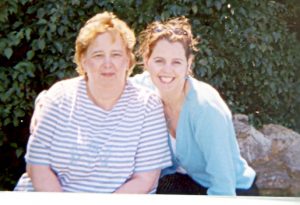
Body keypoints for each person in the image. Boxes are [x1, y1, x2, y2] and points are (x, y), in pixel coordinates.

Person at [14, 11, 172, 193]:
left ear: (128, 61)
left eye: (116, 54)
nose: (107, 63)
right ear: (83, 60)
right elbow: (37, 165)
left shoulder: (148, 106)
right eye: (98, 55)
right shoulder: (59, 97)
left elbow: (144, 179)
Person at [131, 16, 257, 195]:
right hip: (189, 180)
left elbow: (224, 187)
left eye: (176, 62)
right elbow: (110, 85)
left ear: (188, 63)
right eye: (159, 60)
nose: (167, 70)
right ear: (146, 61)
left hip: (232, 190)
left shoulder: (205, 108)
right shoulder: (146, 86)